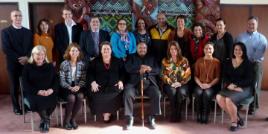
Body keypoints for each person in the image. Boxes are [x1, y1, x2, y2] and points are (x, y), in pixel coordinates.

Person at [1, 10, 33, 115]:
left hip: (26, 64)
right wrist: (20, 59)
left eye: (20, 16)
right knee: (14, 87)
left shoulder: (28, 32)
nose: (18, 18)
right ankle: (16, 107)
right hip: (13, 64)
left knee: (26, 86)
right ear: (12, 18)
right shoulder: (5, 31)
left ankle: (26, 106)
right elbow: (6, 49)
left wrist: (27, 58)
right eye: (15, 16)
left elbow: (31, 47)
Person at [216, 42, 253, 132]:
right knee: (219, 97)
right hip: (230, 86)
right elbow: (224, 76)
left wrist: (237, 85)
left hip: (244, 88)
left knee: (228, 99)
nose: (238, 51)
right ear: (233, 51)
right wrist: (229, 85)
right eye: (236, 49)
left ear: (243, 51)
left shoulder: (248, 63)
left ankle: (234, 122)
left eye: (240, 49)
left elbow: (249, 79)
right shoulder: (228, 61)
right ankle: (237, 117)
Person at [124, 42, 161, 130]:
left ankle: (152, 117)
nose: (142, 50)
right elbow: (127, 68)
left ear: (147, 49)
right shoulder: (131, 57)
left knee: (157, 94)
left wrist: (150, 69)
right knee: (127, 94)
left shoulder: (152, 57)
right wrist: (138, 70)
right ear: (136, 48)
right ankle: (130, 117)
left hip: (149, 83)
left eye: (144, 48)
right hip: (134, 84)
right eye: (140, 48)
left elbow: (158, 70)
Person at [22, 45, 58, 133]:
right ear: (33, 55)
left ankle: (44, 120)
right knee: (39, 101)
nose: (40, 57)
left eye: (42, 54)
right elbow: (25, 84)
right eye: (37, 54)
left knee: (52, 99)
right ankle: (46, 121)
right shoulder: (27, 67)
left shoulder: (50, 66)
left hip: (49, 92)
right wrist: (38, 92)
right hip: (34, 92)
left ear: (45, 55)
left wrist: (51, 90)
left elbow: (56, 81)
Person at [236, 16, 267, 114]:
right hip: (241, 64)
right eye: (249, 23)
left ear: (257, 25)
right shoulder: (240, 36)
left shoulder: (262, 38)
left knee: (255, 85)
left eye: (253, 24)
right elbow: (236, 49)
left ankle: (253, 107)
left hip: (255, 65)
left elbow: (258, 54)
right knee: (240, 83)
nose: (251, 26)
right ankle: (239, 102)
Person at [87, 41, 124, 123]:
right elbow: (90, 73)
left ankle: (108, 112)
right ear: (101, 50)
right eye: (104, 49)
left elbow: (123, 73)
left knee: (116, 93)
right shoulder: (95, 61)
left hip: (113, 86)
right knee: (95, 93)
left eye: (108, 49)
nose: (106, 50)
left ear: (111, 50)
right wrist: (93, 82)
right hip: (99, 86)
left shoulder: (118, 61)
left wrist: (121, 81)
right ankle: (105, 113)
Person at [161, 41, 191, 122]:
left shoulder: (184, 60)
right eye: (171, 49)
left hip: (182, 83)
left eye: (175, 49)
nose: (173, 51)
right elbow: (163, 75)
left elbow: (188, 74)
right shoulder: (165, 61)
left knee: (181, 93)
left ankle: (178, 113)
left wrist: (180, 83)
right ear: (169, 50)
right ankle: (173, 113)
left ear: (178, 50)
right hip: (169, 84)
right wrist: (171, 83)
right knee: (172, 92)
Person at [59, 43, 87, 130]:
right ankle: (66, 120)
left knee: (80, 96)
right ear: (69, 52)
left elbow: (83, 79)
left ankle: (73, 119)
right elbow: (62, 80)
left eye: (76, 51)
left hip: (77, 86)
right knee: (71, 98)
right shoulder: (64, 64)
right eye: (72, 51)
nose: (74, 52)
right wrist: (70, 87)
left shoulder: (82, 64)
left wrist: (78, 86)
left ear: (79, 53)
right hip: (65, 87)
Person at [194, 42, 220, 124]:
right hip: (200, 84)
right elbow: (195, 76)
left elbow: (217, 77)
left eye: (210, 48)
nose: (208, 50)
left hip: (211, 85)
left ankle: (205, 115)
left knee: (206, 94)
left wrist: (209, 85)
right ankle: (199, 114)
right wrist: (201, 84)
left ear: (213, 50)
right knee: (198, 93)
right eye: (206, 48)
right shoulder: (199, 61)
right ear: (203, 50)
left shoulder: (216, 62)